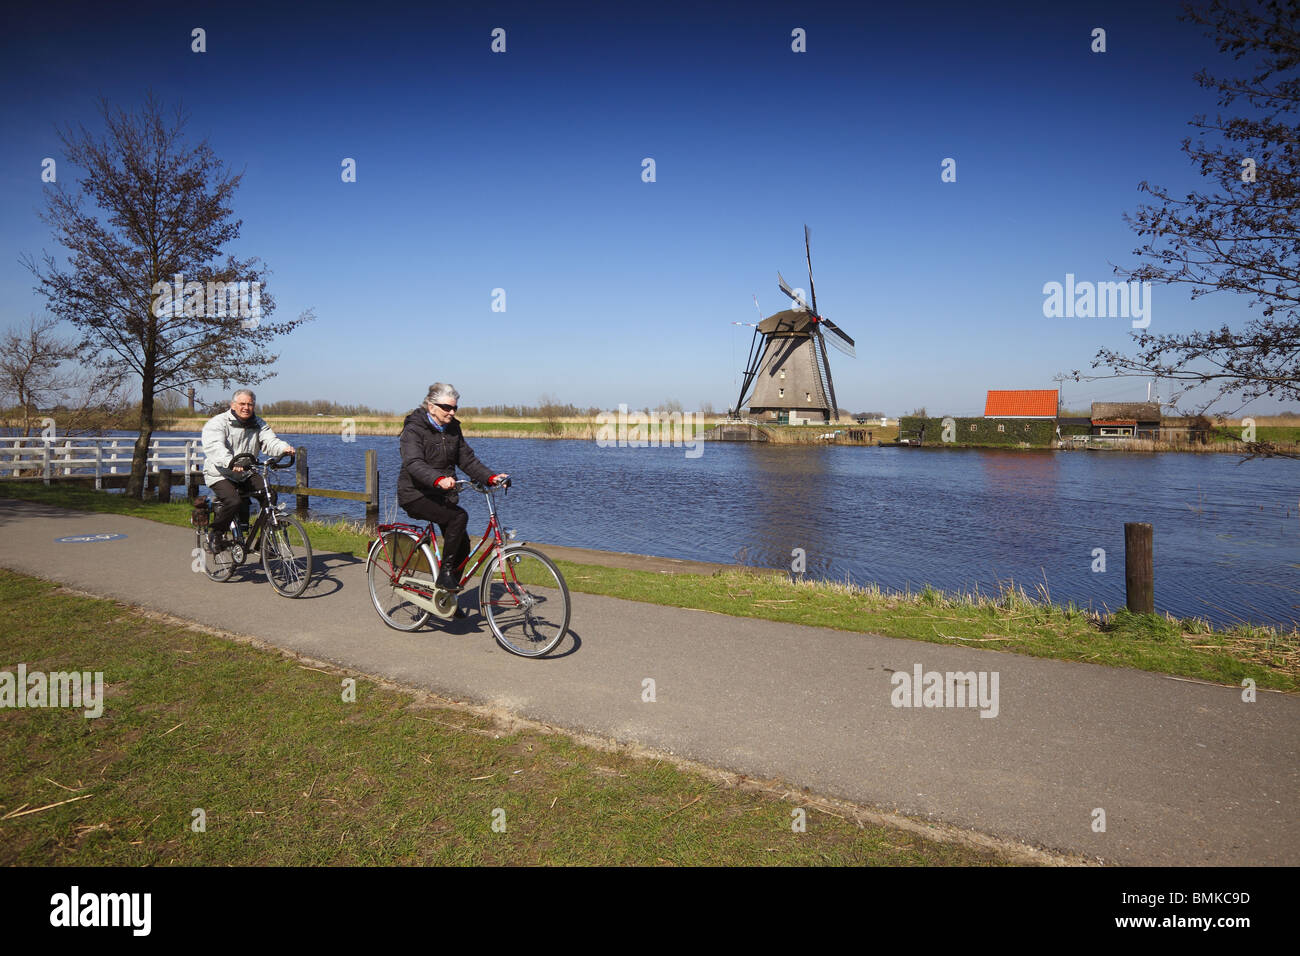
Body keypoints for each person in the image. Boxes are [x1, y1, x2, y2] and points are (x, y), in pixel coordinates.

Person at [398, 383, 508, 592]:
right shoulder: (414, 429)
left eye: (455, 408)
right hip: (415, 494)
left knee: (463, 545)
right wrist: (437, 479)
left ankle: (447, 595)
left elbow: (467, 460)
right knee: (459, 517)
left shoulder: (453, 429)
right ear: (431, 407)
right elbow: (413, 463)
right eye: (447, 408)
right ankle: (445, 577)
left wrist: (491, 477)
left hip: (442, 496)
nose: (452, 412)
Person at [201, 388, 293, 552]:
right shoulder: (218, 423)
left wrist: (284, 449)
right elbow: (215, 447)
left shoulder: (258, 423)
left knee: (270, 495)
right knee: (233, 500)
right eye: (242, 404)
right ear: (233, 405)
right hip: (220, 472)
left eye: (250, 404)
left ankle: (264, 541)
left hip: (245, 472)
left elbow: (270, 441)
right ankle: (216, 533)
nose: (246, 407)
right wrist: (229, 462)